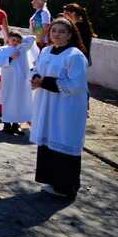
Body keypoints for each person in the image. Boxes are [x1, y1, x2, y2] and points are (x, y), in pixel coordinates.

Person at [30, 18, 90, 199]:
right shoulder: (46, 50)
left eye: (62, 31)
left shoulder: (75, 55)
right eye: (54, 30)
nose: (57, 34)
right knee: (49, 139)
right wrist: (35, 78)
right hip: (47, 103)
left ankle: (66, 187)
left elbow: (76, 84)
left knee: (63, 139)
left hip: (66, 107)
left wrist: (45, 82)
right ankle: (52, 180)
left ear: (70, 35)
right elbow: (36, 69)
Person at [0, 33, 38, 134]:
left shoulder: (22, 48)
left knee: (19, 101)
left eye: (17, 40)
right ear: (8, 39)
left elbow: (32, 38)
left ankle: (16, 124)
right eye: (13, 40)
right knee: (8, 100)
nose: (15, 42)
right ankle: (7, 124)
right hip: (8, 80)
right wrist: (10, 58)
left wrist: (20, 37)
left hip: (21, 80)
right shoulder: (3, 49)